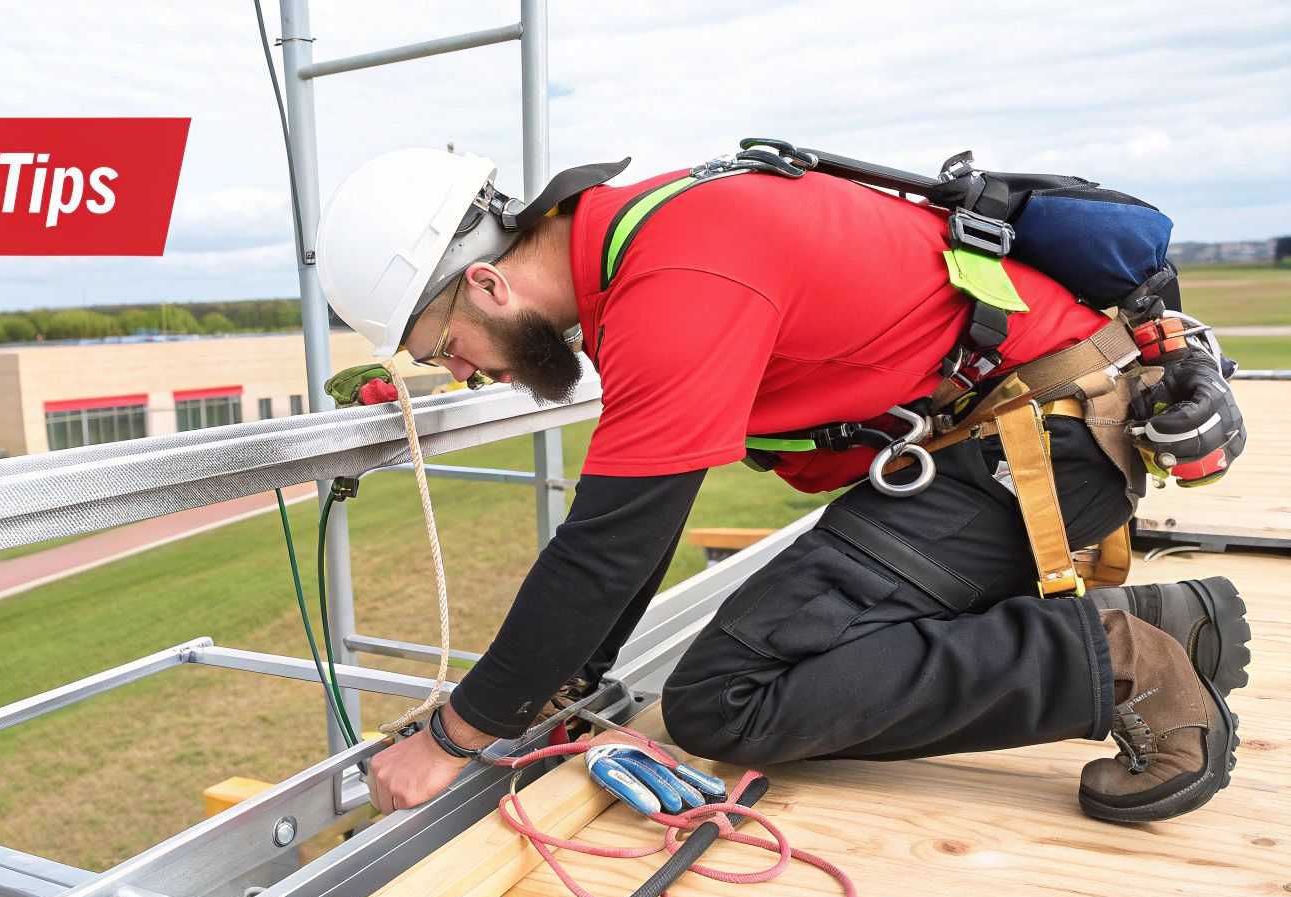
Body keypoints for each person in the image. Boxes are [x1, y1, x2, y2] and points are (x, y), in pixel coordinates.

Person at [313, 147, 1250, 824]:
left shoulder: (676, 276)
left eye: (445, 349)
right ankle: (1164, 623)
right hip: (1011, 440)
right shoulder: (643, 249)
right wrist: (571, 676)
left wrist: (454, 738)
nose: (468, 374)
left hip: (1034, 447)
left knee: (727, 697)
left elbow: (611, 545)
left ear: (485, 284)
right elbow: (637, 515)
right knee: (782, 651)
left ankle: (1129, 660)